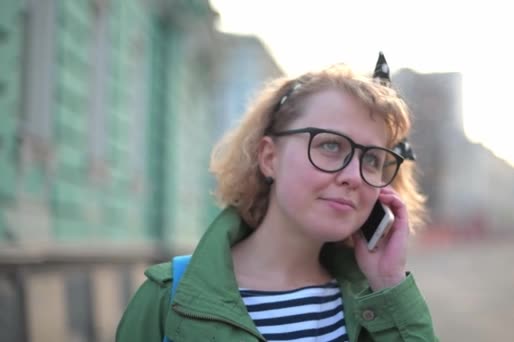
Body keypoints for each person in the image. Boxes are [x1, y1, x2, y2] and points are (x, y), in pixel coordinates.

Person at [116, 53, 438, 341]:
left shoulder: (377, 307)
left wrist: (388, 283)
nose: (354, 175)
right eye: (330, 145)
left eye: (372, 159)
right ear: (270, 158)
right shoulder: (167, 302)